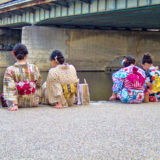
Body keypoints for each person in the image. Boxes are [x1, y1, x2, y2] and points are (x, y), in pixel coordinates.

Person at [2, 43, 42, 111]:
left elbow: (11, 88)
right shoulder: (34, 68)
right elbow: (39, 84)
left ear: (13, 54)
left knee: (5, 90)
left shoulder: (10, 70)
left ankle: (15, 103)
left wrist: (15, 104)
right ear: (26, 54)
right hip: (33, 102)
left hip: (17, 103)